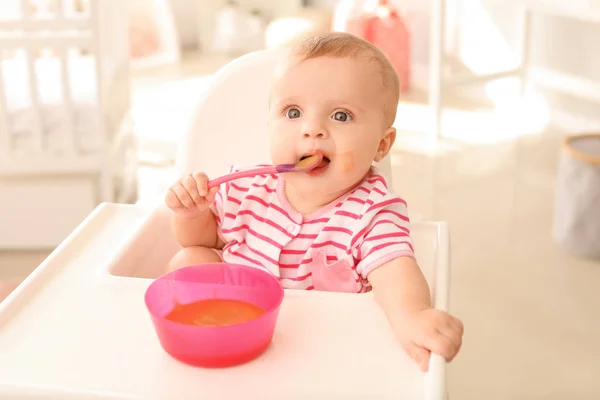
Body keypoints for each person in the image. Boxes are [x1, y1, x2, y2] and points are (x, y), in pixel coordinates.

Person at [164, 32, 463, 372]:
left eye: (340, 116)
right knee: (188, 259)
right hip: (235, 336)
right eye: (292, 112)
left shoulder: (373, 212)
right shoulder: (246, 188)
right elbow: (203, 242)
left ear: (382, 144)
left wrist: (414, 315)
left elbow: (395, 272)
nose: (312, 129)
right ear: (269, 124)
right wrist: (192, 213)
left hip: (323, 354)